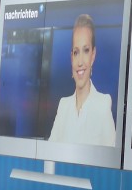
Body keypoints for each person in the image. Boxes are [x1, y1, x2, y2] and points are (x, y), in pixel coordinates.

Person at [48, 14, 116, 146]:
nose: (80, 62)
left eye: (86, 50)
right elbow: (49, 155)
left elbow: (110, 161)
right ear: (71, 57)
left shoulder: (103, 104)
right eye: (76, 52)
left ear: (93, 55)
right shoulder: (63, 106)